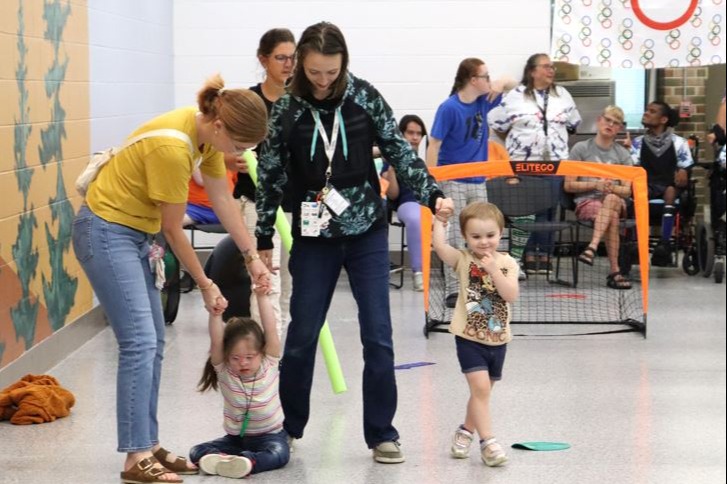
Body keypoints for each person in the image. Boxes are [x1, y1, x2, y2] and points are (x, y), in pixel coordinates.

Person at [255, 21, 454, 464]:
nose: (323, 82)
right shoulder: (286, 109)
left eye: (331, 72)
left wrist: (433, 192)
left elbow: (401, 152)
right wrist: (264, 233)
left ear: (344, 64)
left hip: (366, 232)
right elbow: (268, 175)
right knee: (302, 335)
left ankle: (382, 432)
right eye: (313, 72)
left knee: (378, 336)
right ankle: (288, 427)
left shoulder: (364, 96)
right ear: (300, 66)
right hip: (313, 237)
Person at [72, 75, 270, 484]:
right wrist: (205, 282)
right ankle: (135, 458)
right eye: (239, 146)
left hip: (132, 233)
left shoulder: (204, 138)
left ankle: (147, 443)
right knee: (139, 342)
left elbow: (224, 201)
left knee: (153, 341)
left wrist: (253, 258)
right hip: (106, 231)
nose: (239, 155)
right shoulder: (173, 148)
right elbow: (174, 228)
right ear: (220, 126)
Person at [431, 201, 519, 467]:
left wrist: (493, 270)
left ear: (500, 234)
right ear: (466, 237)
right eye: (476, 236)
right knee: (480, 389)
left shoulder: (508, 263)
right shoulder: (463, 259)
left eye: (490, 235)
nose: (483, 242)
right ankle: (488, 443)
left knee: (481, 394)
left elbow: (511, 295)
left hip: (498, 339)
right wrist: (439, 221)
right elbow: (439, 247)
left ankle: (465, 430)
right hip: (469, 338)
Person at [426, 57, 515, 304]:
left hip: (478, 180)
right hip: (453, 178)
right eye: (485, 76)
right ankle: (454, 289)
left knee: (482, 231)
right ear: (473, 80)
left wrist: (499, 83)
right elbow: (434, 145)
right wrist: (433, 181)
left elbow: (512, 83)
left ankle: (479, 282)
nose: (489, 80)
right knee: (455, 235)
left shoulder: (483, 102)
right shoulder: (449, 108)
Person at [227, 28, 296, 338]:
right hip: (258, 204)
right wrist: (232, 160)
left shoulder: (301, 101)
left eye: (293, 58)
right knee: (268, 281)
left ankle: (281, 346)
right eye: (281, 58)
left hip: (296, 204)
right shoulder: (248, 101)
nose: (288, 64)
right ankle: (271, 353)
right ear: (263, 59)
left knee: (292, 283)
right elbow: (222, 147)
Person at [488, 53, 581, 277]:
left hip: (555, 164)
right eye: (546, 67)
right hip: (524, 165)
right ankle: (528, 256)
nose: (551, 71)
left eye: (552, 67)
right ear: (532, 71)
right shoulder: (515, 96)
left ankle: (546, 256)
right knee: (528, 211)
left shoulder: (562, 94)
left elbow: (573, 124)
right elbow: (496, 122)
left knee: (550, 210)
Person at [189, 282, 288, 478]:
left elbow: (270, 329)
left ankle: (248, 461)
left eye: (249, 357)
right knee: (195, 451)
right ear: (227, 357)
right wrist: (216, 315)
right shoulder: (226, 371)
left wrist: (261, 297)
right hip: (236, 439)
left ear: (261, 352)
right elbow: (217, 341)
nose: (243, 363)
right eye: (235, 358)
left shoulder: (269, 363)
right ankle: (228, 460)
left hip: (270, 436)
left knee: (280, 454)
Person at [565, 105, 633, 289]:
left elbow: (627, 191)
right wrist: (595, 184)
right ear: (599, 120)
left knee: (612, 199)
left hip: (617, 201)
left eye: (616, 123)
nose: (610, 125)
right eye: (607, 120)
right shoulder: (580, 149)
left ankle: (592, 246)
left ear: (619, 128)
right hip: (588, 202)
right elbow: (569, 185)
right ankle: (615, 272)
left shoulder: (623, 154)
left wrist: (612, 188)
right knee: (611, 216)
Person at [630, 101, 694, 266]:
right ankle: (637, 244)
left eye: (652, 111)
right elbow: (632, 167)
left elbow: (686, 165)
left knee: (671, 191)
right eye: (646, 110)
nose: (646, 113)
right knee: (638, 191)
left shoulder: (679, 142)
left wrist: (684, 171)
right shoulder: (637, 143)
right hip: (647, 185)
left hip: (668, 186)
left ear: (663, 119)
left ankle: (664, 245)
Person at [381, 114, 429, 291]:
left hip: (427, 205)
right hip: (406, 203)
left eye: (419, 134)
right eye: (411, 133)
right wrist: (392, 171)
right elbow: (392, 195)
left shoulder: (422, 162)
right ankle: (419, 273)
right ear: (402, 135)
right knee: (416, 219)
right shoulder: (388, 161)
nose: (415, 137)